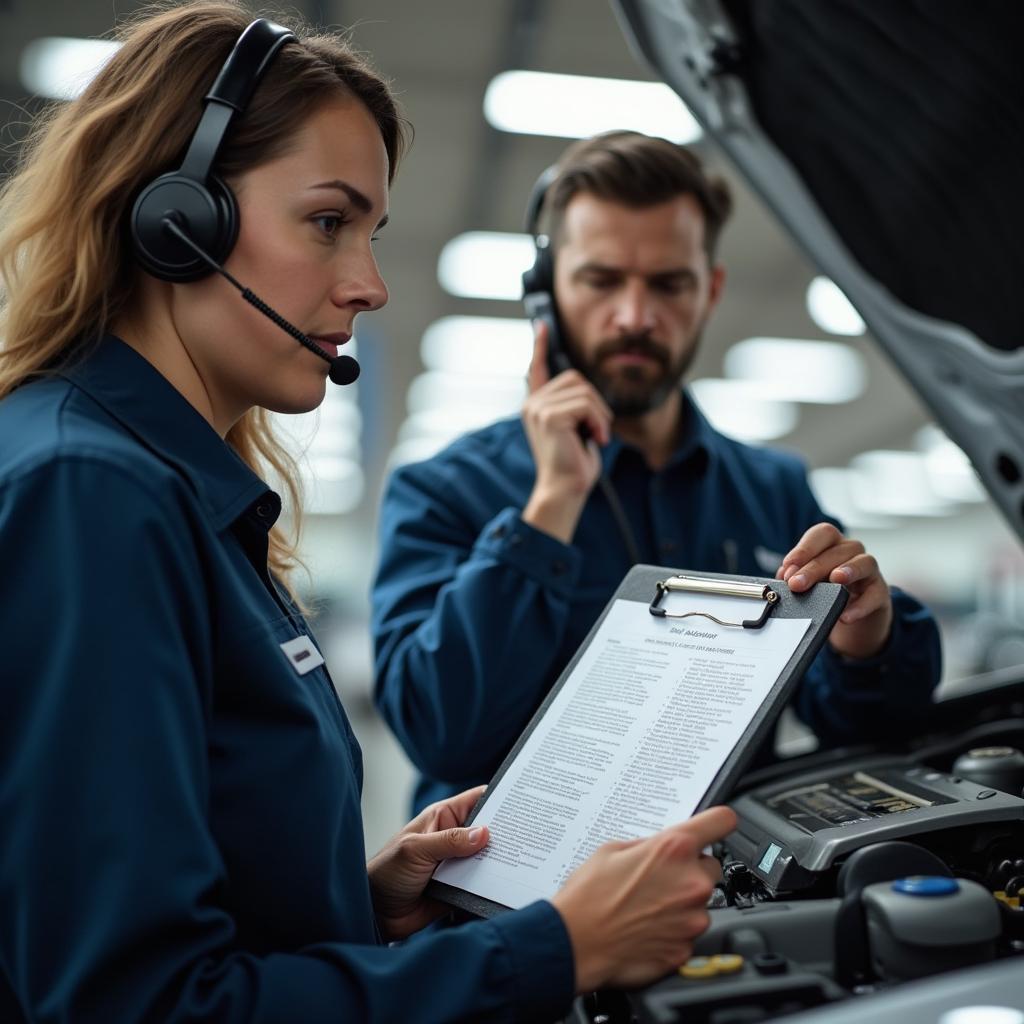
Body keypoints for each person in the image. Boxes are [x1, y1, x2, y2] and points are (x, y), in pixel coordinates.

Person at [0, 7, 738, 1022]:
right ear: (177, 218)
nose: (370, 284)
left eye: (371, 233)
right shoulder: (90, 494)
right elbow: (137, 1002)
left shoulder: (170, 484)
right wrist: (551, 949)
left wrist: (352, 894)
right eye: (326, 221)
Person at [372, 131, 943, 814]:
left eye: (669, 284)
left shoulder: (773, 490)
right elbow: (442, 737)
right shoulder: (444, 489)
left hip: (720, 894)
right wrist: (551, 505)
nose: (636, 316)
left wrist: (864, 640)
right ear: (546, 293)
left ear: (710, 290)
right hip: (520, 904)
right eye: (602, 279)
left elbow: (857, 726)